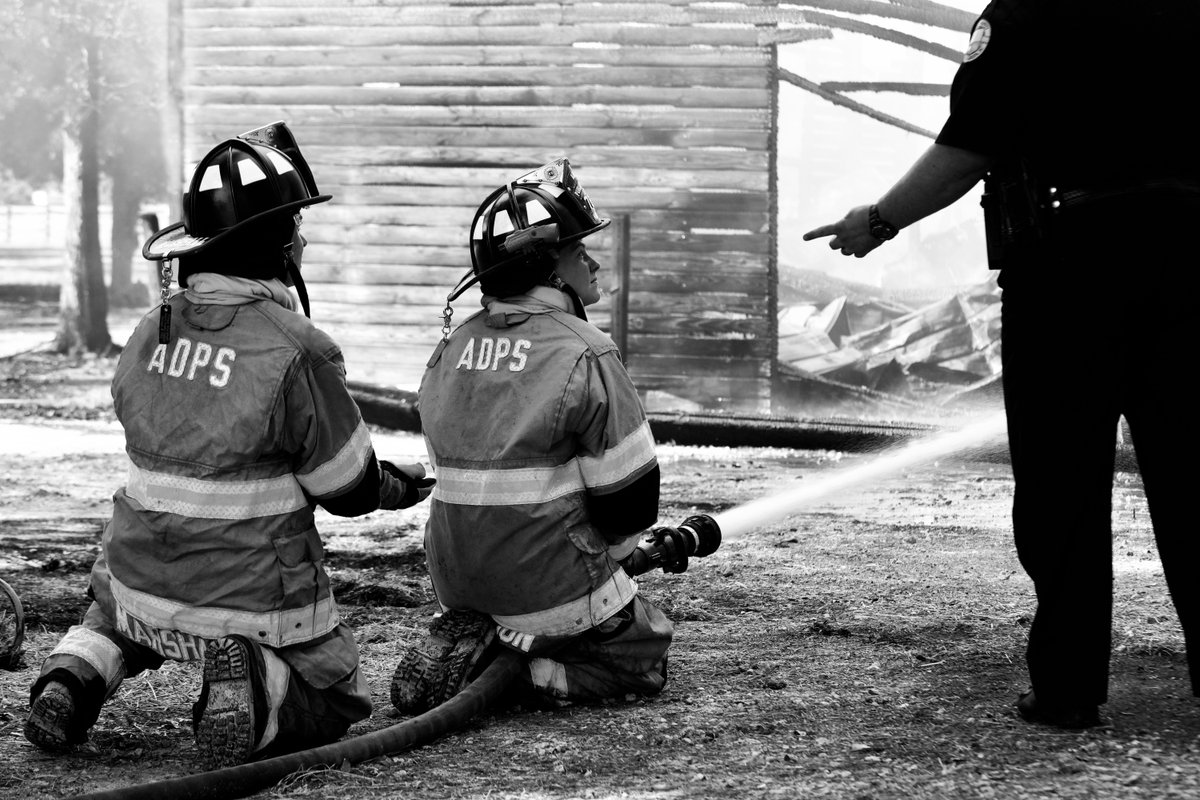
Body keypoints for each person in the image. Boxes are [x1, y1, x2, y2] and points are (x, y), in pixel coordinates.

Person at [802, 1, 1200, 729]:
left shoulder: (1029, 15)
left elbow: (971, 145)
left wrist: (880, 218)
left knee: (1063, 484)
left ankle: (1069, 686)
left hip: (1071, 270)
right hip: (1196, 273)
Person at [23, 121, 434, 766]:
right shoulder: (298, 349)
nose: (301, 240)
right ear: (274, 245)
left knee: (111, 617)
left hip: (138, 577)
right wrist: (399, 485)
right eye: (294, 226)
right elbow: (347, 491)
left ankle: (73, 677)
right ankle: (255, 682)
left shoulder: (147, 331)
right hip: (250, 594)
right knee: (339, 694)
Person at [390, 157, 675, 713]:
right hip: (548, 592)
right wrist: (617, 560)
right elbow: (631, 503)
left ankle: (485, 643)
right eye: (578, 251)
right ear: (547, 270)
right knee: (643, 657)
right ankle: (520, 678)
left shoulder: (450, 349)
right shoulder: (585, 350)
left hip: (455, 584)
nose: (592, 261)